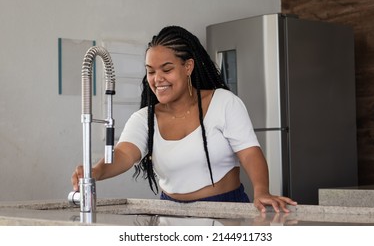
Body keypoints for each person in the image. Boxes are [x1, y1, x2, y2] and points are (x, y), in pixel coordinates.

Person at [72, 25, 297, 213]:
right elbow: (123, 155)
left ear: (188, 66)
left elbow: (249, 153)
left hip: (225, 211)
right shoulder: (145, 118)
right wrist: (94, 172)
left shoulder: (224, 103)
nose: (157, 79)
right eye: (151, 71)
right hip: (170, 213)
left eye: (166, 69)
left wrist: (261, 190)